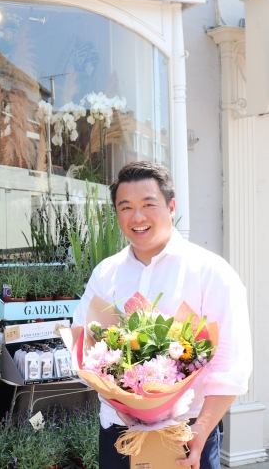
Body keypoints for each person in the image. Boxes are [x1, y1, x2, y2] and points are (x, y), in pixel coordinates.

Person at [72, 161, 251, 469]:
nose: (137, 217)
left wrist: (201, 430)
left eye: (148, 204)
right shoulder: (107, 273)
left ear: (171, 206)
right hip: (119, 431)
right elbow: (83, 343)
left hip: (187, 432)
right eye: (125, 207)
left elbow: (229, 363)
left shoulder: (209, 271)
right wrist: (118, 395)